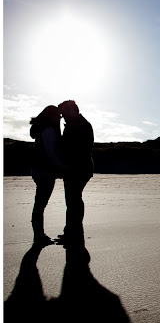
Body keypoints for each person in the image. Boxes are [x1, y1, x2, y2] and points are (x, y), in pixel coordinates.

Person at [56, 100, 94, 247]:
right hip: (80, 168)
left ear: (72, 110)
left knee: (73, 201)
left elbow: (74, 149)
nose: (62, 116)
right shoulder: (79, 123)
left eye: (63, 112)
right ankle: (73, 231)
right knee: (74, 200)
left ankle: (73, 233)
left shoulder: (78, 125)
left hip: (77, 168)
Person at [29, 105, 66, 246]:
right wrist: (62, 168)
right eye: (58, 115)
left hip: (38, 169)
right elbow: (50, 153)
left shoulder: (41, 129)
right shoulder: (49, 131)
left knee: (39, 204)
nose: (60, 117)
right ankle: (39, 236)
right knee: (40, 205)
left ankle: (39, 235)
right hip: (45, 171)